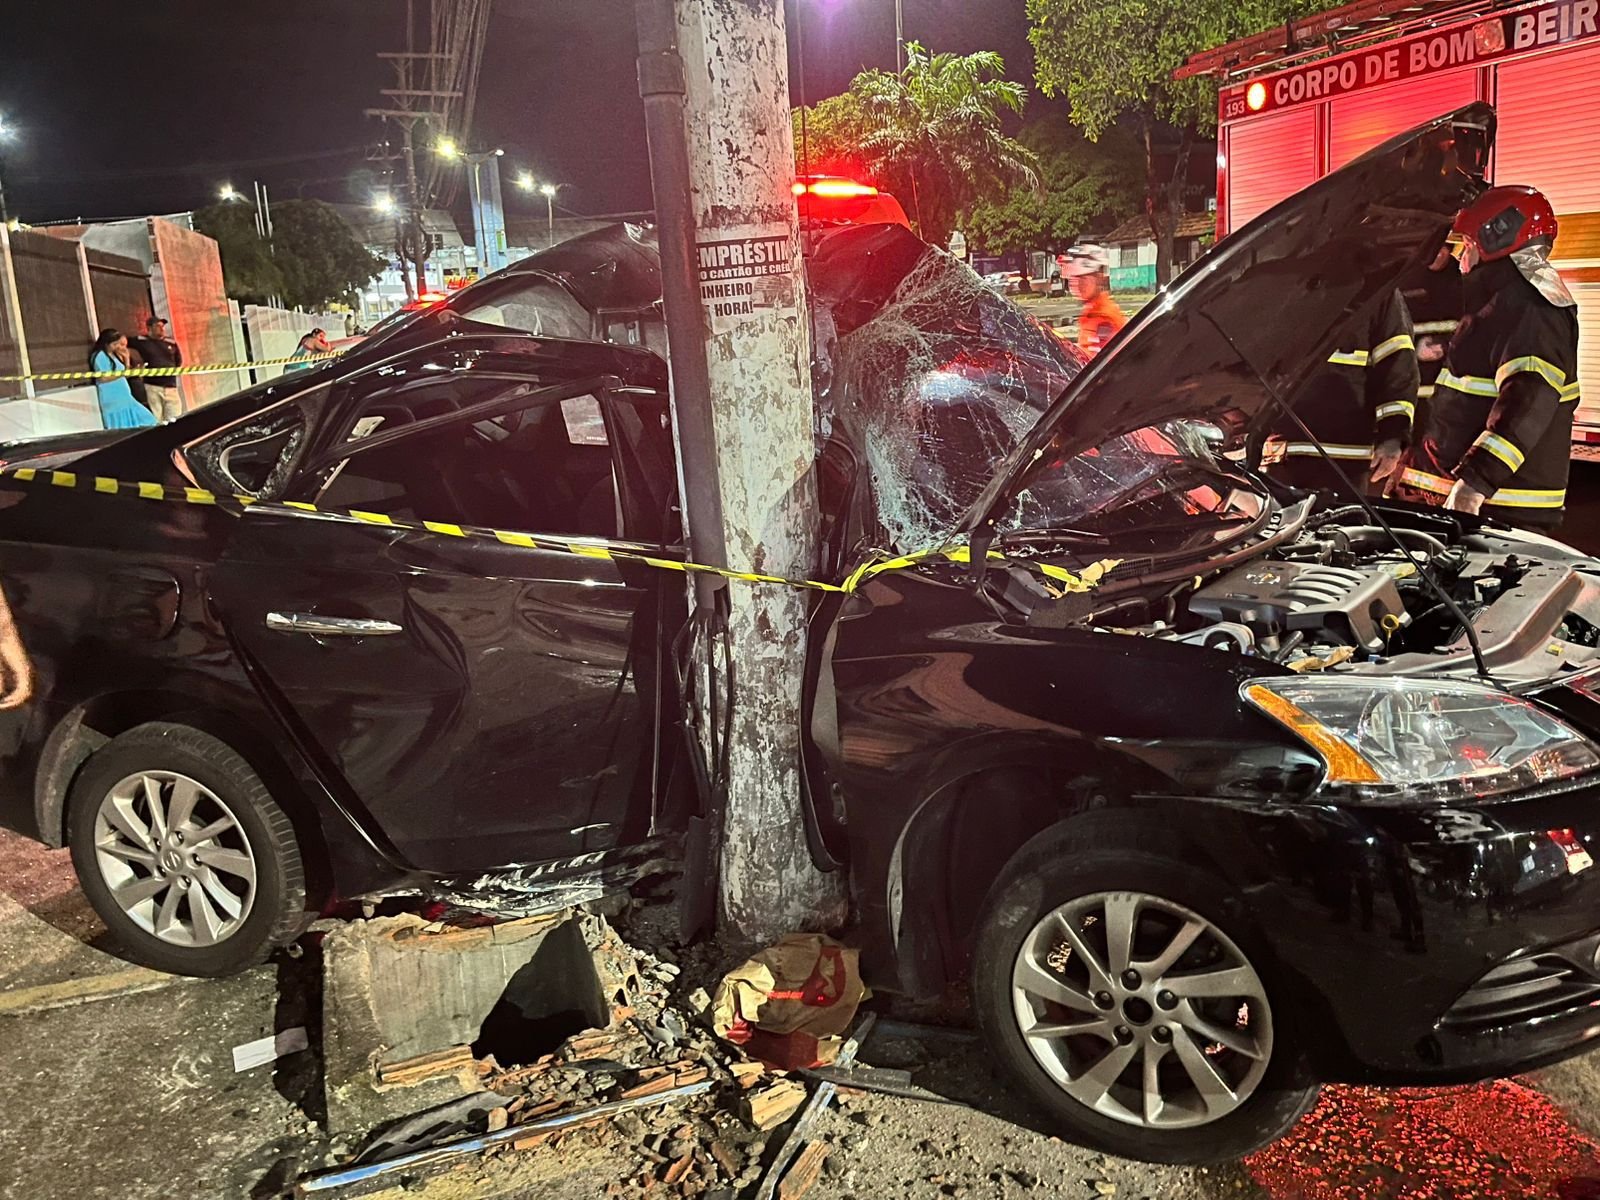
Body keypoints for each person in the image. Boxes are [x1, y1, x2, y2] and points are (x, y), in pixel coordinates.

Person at [1403, 185, 1581, 529]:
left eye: (1467, 245)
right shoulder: (1504, 303)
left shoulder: (1531, 308)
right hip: (1473, 499)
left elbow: (1527, 403)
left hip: (1497, 508)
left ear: (1498, 239)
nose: (1459, 257)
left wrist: (1474, 485)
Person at [1262, 288, 1419, 498]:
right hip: (1280, 455)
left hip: (1346, 462)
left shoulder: (1379, 289)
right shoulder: (1285, 284)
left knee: (1343, 528)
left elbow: (1398, 367)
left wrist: (1393, 436)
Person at [1061, 244, 1127, 356]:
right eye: (1073, 278)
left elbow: (1095, 362)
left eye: (1083, 278)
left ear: (1099, 277)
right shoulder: (1091, 310)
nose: (1076, 284)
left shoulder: (1104, 318)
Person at [88, 329, 156, 430]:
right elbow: (103, 378)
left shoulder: (114, 355)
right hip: (113, 398)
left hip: (125, 396)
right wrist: (122, 373)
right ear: (106, 343)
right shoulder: (100, 356)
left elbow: (124, 374)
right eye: (114, 344)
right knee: (123, 428)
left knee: (149, 420)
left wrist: (126, 359)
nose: (117, 347)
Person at [127, 315, 184, 422]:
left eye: (162, 326)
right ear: (149, 328)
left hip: (171, 386)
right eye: (157, 326)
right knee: (156, 419)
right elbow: (123, 343)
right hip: (152, 387)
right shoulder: (141, 341)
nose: (161, 328)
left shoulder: (171, 342)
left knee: (175, 418)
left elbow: (178, 361)